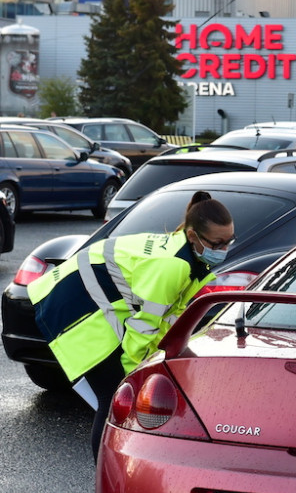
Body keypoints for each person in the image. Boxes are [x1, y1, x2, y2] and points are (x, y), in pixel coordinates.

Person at [28, 191, 234, 461]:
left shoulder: (189, 257)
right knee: (115, 396)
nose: (224, 249)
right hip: (74, 304)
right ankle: (106, 482)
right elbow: (144, 326)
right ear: (194, 236)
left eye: (229, 241)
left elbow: (169, 319)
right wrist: (134, 373)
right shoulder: (174, 266)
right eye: (217, 243)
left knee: (127, 388)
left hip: (91, 297)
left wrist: (164, 356)